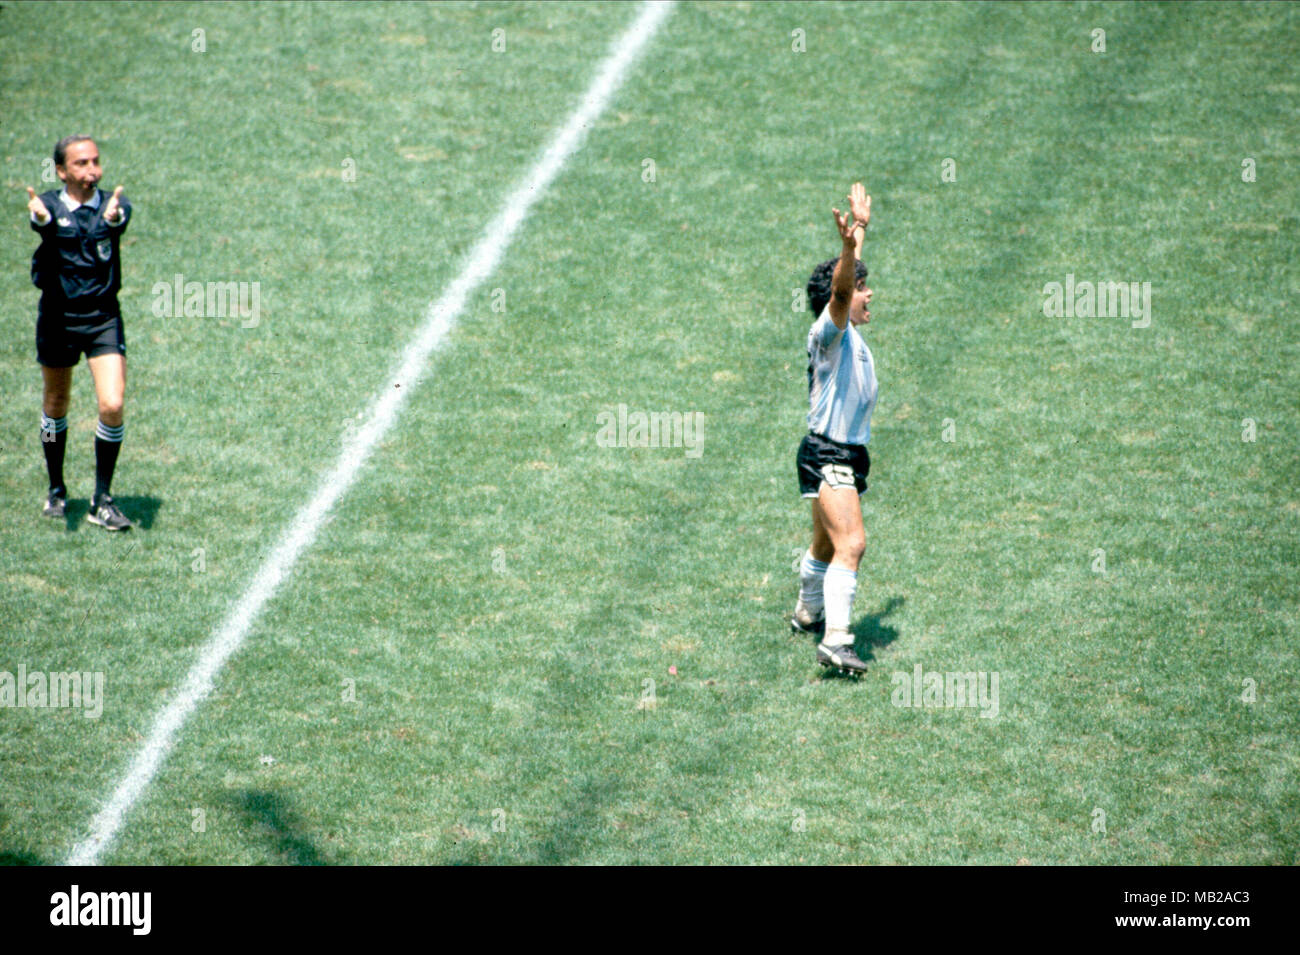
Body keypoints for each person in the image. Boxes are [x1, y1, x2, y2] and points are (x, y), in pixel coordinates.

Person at [26, 135, 133, 530]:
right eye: (81, 164)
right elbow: (42, 222)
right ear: (61, 171)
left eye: (95, 162)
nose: (91, 171)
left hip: (103, 318)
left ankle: (101, 499)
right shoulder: (50, 207)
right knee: (56, 403)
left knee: (112, 403)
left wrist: (115, 219)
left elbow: (118, 221)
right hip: (57, 320)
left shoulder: (112, 206)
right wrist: (39, 219)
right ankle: (56, 489)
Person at [790, 183, 877, 675]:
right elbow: (842, 288)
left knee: (826, 544)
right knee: (852, 543)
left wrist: (859, 231)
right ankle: (836, 641)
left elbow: (845, 280)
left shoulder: (849, 334)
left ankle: (807, 612)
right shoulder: (830, 334)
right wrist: (847, 247)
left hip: (842, 455)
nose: (869, 293)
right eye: (864, 288)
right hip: (830, 456)